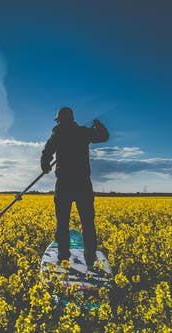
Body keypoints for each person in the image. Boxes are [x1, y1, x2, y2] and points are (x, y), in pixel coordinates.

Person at [41, 106, 109, 269]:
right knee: (87, 223)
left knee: (62, 223)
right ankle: (90, 259)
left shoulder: (57, 133)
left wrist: (45, 165)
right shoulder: (83, 132)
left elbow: (47, 152)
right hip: (82, 183)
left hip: (64, 183)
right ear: (71, 119)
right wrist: (98, 125)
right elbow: (104, 136)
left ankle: (63, 259)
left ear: (59, 120)